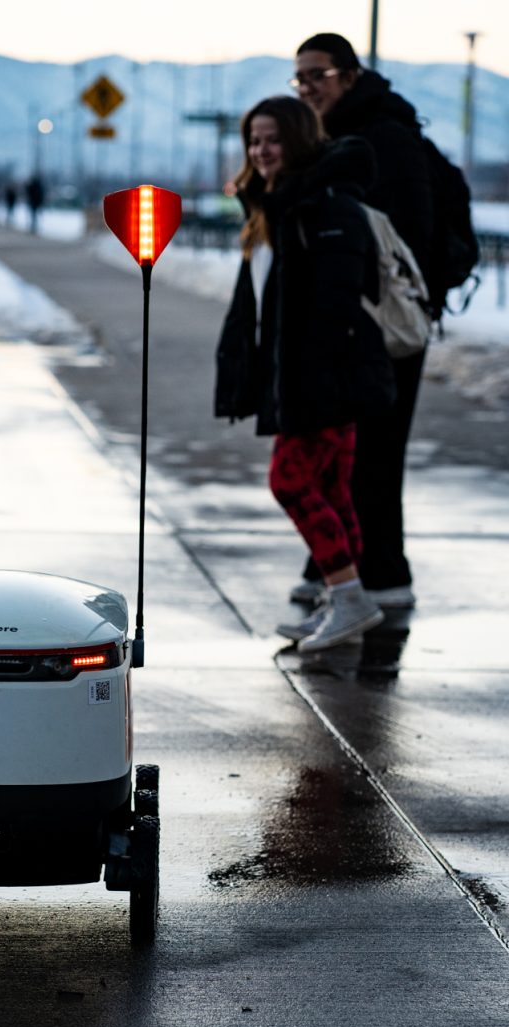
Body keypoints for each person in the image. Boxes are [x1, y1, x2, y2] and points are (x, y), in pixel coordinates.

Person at [214, 96, 394, 652]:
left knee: (289, 483)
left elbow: (336, 305)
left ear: (297, 138)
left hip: (323, 378)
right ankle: (340, 603)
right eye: (253, 140)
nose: (260, 150)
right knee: (333, 491)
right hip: (304, 375)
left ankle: (349, 597)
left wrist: (308, 380)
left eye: (271, 139)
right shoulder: (277, 204)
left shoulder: (324, 204)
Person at [289, 32, 435, 610]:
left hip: (385, 327)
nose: (307, 87)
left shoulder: (386, 139)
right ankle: (340, 568)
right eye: (299, 78)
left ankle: (383, 574)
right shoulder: (330, 137)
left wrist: (375, 309)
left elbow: (410, 240)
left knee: (375, 450)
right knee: (342, 452)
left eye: (318, 75)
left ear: (350, 76)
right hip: (349, 322)